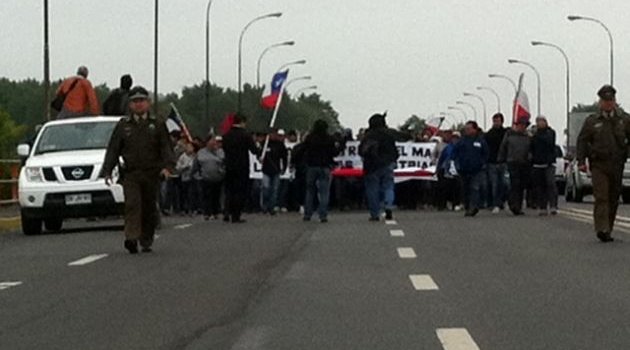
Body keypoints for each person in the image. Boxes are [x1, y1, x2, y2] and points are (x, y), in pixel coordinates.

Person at [102, 86, 175, 254]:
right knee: (132, 204)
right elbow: (113, 149)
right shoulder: (123, 125)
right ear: (130, 104)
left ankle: (146, 238)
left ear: (148, 103)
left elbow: (166, 148)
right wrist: (107, 170)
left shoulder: (156, 124)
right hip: (131, 173)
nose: (138, 104)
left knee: (149, 207)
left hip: (152, 173)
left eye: (142, 101)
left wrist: (167, 167)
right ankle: (131, 237)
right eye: (135, 101)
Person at [577, 85, 630, 242]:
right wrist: (581, 161)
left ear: (614, 101)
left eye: (611, 100)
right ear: (600, 102)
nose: (608, 104)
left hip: (617, 164)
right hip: (599, 164)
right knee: (601, 196)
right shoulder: (592, 121)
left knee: (613, 197)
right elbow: (582, 141)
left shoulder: (624, 120)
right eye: (605, 101)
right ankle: (602, 228)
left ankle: (608, 228)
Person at [296, 120, 339, 222]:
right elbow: (334, 153)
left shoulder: (310, 138)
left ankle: (308, 214)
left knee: (310, 191)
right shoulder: (329, 139)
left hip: (311, 166)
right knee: (324, 192)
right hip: (325, 167)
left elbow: (303, 150)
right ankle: (323, 215)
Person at [359, 113, 399, 221]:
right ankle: (388, 205)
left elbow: (361, 150)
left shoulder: (369, 135)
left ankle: (374, 214)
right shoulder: (389, 134)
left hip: (371, 166)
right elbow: (394, 150)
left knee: (372, 189)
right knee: (388, 186)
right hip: (387, 163)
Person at [222, 114, 259, 223]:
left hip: (229, 166)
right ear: (242, 122)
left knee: (229, 190)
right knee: (240, 191)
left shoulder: (226, 135)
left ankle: (226, 211)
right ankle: (236, 215)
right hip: (242, 166)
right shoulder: (245, 135)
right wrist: (259, 151)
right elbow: (254, 150)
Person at [452, 121, 488, 217]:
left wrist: (483, 164)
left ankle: (474, 207)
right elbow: (454, 153)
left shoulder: (480, 141)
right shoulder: (462, 141)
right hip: (464, 169)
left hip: (476, 170)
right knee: (465, 189)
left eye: (469, 128)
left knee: (474, 188)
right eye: (466, 129)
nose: (467, 130)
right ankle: (468, 207)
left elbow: (485, 154)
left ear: (474, 129)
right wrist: (456, 164)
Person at [498, 116, 532, 216]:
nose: (523, 127)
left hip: (524, 163)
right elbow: (503, 148)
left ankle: (518, 206)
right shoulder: (509, 135)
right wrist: (501, 159)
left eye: (524, 125)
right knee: (514, 184)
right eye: (521, 125)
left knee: (521, 186)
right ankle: (513, 204)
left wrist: (530, 156)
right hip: (512, 162)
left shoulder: (528, 137)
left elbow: (531, 149)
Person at [193, 135, 226, 220]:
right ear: (207, 142)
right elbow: (196, 165)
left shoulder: (220, 152)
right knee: (206, 195)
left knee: (216, 195)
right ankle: (207, 213)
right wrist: (196, 175)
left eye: (215, 141)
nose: (214, 143)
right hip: (205, 178)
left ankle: (215, 212)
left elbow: (224, 163)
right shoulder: (201, 152)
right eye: (212, 141)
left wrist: (222, 171)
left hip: (218, 177)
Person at [530, 116, 558, 216]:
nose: (540, 124)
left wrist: (536, 135)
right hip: (538, 164)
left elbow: (549, 142)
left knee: (550, 184)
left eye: (541, 122)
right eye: (538, 122)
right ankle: (542, 206)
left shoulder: (550, 133)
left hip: (549, 163)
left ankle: (553, 206)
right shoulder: (534, 135)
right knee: (540, 186)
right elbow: (532, 147)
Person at [485, 113, 508, 214]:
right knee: (494, 184)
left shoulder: (506, 133)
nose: (496, 123)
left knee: (505, 183)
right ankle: (496, 204)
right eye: (494, 121)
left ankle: (504, 201)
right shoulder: (489, 134)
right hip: (492, 162)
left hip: (504, 162)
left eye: (498, 121)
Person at [261, 129, 288, 215]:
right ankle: (265, 206)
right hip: (266, 169)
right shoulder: (264, 144)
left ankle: (271, 207)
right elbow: (259, 153)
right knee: (265, 188)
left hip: (276, 170)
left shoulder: (280, 145)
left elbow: (284, 157)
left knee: (274, 190)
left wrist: (284, 167)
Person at [436, 131, 462, 211]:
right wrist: (438, 168)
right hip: (446, 169)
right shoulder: (447, 148)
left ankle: (455, 204)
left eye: (456, 138)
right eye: (453, 138)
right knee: (444, 188)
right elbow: (441, 158)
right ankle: (442, 205)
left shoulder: (461, 147)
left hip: (457, 169)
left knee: (456, 188)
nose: (455, 140)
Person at [176, 142, 196, 216]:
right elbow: (178, 167)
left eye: (191, 147)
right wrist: (184, 167)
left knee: (191, 194)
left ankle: (191, 209)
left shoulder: (194, 156)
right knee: (183, 194)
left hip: (192, 177)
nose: (190, 149)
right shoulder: (182, 157)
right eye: (188, 147)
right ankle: (183, 209)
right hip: (184, 178)